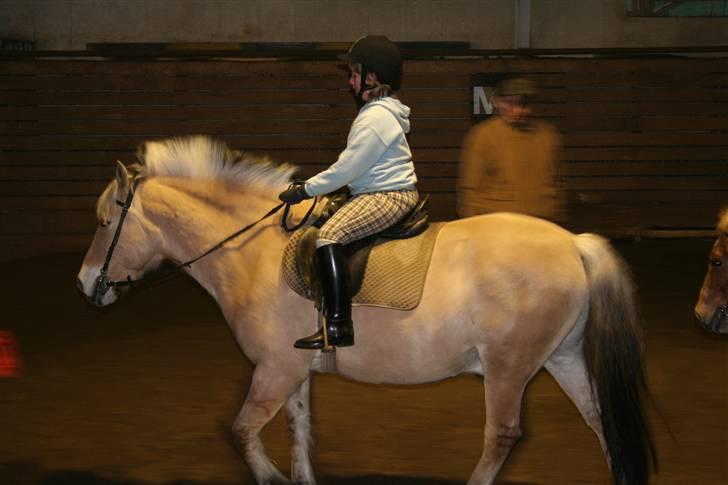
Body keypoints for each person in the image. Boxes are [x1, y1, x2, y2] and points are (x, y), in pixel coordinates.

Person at [278, 35, 419, 350]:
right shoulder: (378, 113)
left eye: (354, 74)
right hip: (375, 191)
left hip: (387, 196)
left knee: (329, 235)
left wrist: (305, 190)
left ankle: (339, 325)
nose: (350, 82)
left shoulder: (375, 118)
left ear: (371, 77)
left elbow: (346, 170)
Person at [456, 77, 565, 222]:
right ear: (497, 102)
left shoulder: (548, 135)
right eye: (510, 102)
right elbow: (469, 190)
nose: (518, 109)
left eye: (523, 103)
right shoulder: (483, 136)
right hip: (499, 226)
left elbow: (559, 183)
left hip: (542, 223)